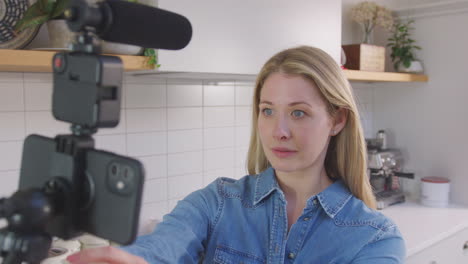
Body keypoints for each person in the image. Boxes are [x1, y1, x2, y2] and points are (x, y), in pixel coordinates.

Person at [66, 46, 405, 264]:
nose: (279, 131)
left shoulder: (374, 239)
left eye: (299, 113)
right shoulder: (217, 203)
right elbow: (164, 246)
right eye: (268, 111)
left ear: (337, 119)